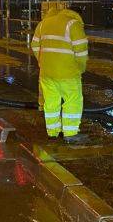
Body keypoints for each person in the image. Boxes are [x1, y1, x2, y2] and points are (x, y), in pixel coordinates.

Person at [31, 8, 88, 142]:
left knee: (50, 102)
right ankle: (71, 133)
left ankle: (52, 132)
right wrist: (80, 67)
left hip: (46, 73)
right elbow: (81, 51)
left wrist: (42, 61)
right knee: (72, 101)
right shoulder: (73, 24)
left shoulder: (43, 24)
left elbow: (34, 45)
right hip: (68, 73)